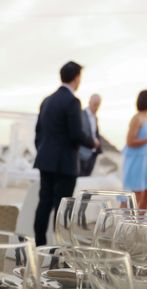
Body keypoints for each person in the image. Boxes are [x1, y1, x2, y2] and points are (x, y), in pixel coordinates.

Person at [33, 61, 97, 245]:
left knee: (44, 203)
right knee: (63, 208)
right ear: (77, 78)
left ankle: (40, 245)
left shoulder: (47, 100)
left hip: (45, 160)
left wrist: (44, 152)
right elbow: (76, 134)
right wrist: (93, 142)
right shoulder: (72, 101)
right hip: (65, 163)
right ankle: (58, 249)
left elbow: (38, 133)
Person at [78, 94, 103, 176]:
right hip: (82, 154)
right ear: (89, 102)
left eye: (98, 105)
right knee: (80, 180)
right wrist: (93, 142)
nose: (96, 107)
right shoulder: (81, 115)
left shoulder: (95, 118)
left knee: (87, 179)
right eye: (95, 104)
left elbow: (95, 133)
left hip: (93, 154)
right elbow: (80, 134)